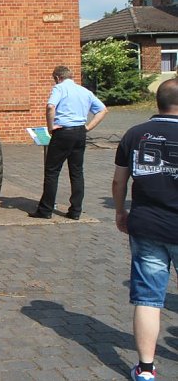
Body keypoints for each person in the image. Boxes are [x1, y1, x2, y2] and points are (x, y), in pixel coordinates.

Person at [112, 78, 178, 381]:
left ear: (158, 103)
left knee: (148, 298)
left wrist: (120, 210)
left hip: (147, 224)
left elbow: (119, 182)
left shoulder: (134, 134)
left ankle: (146, 369)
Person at [30, 65, 107, 220]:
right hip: (79, 132)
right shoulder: (85, 91)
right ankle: (75, 210)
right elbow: (103, 109)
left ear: (58, 78)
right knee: (77, 172)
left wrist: (51, 127)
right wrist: (87, 127)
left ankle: (45, 210)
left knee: (52, 171)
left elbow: (51, 106)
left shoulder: (59, 88)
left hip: (63, 132)